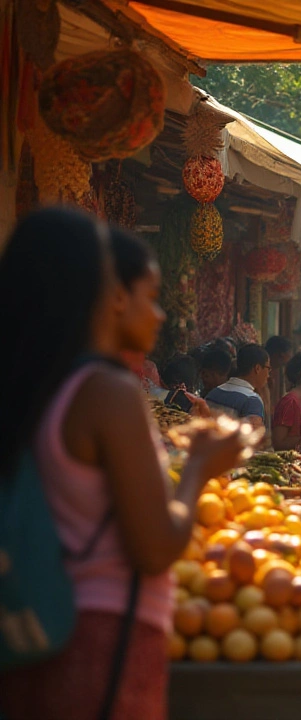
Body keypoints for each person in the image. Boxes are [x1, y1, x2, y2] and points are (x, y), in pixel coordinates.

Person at [0, 211, 248, 720]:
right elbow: (156, 546)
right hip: (101, 636)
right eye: (144, 294)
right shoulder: (108, 391)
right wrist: (201, 465)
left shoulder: (36, 384)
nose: (158, 314)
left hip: (41, 629)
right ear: (103, 292)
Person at [204, 344, 271, 428]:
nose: (268, 375)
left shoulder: (213, 393)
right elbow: (253, 438)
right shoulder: (252, 400)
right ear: (257, 368)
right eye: (268, 368)